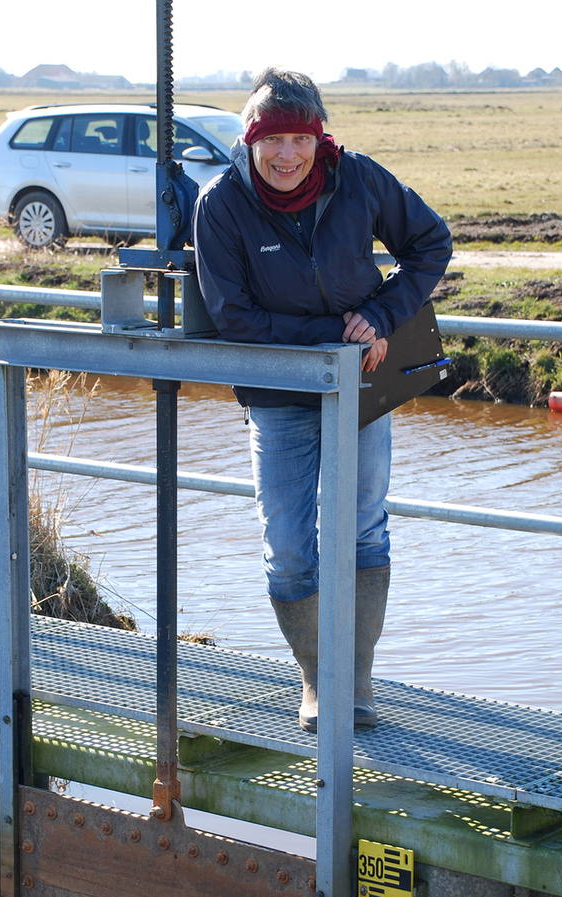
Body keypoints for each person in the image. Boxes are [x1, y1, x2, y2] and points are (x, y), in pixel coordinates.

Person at [192, 68, 452, 732]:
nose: (286, 156)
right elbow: (235, 320)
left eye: (299, 139)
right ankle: (315, 677)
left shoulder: (358, 178)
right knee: (286, 547)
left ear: (319, 139)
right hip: (279, 393)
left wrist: (387, 314)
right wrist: (338, 337)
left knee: (364, 526)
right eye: (271, 141)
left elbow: (431, 242)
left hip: (364, 381)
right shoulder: (219, 204)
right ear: (250, 141)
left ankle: (356, 681)